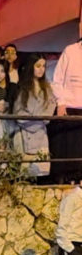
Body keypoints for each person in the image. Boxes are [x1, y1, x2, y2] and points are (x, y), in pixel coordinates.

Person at [12, 54, 56, 179]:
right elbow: (18, 113)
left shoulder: (47, 88)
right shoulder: (22, 88)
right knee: (23, 175)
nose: (41, 69)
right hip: (24, 134)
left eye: (43, 66)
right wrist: (37, 119)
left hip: (41, 134)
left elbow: (50, 108)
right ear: (31, 67)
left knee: (40, 173)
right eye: (38, 66)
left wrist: (40, 119)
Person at [50, 40, 82, 183]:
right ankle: (67, 181)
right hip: (69, 107)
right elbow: (57, 79)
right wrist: (61, 102)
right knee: (69, 149)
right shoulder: (70, 50)